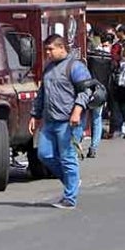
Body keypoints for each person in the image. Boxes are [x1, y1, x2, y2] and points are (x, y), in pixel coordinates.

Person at [29, 35, 93, 209]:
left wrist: (77, 111)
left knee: (67, 158)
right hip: (50, 121)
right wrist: (35, 115)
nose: (47, 53)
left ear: (62, 48)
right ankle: (72, 181)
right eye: (46, 50)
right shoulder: (49, 68)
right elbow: (42, 93)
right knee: (44, 154)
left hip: (69, 122)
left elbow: (86, 91)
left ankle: (69, 199)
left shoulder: (75, 67)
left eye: (51, 49)